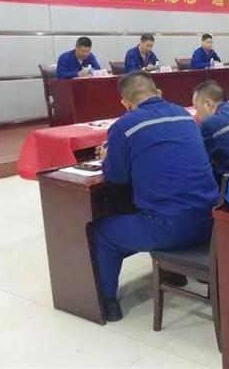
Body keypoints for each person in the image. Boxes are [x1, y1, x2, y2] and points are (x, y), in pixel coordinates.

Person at [93, 72, 218, 321]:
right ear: (158, 92)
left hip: (168, 227)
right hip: (210, 221)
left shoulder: (125, 126)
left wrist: (107, 156)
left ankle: (107, 303)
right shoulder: (184, 115)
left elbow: (117, 177)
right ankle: (173, 273)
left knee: (103, 233)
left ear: (126, 103)